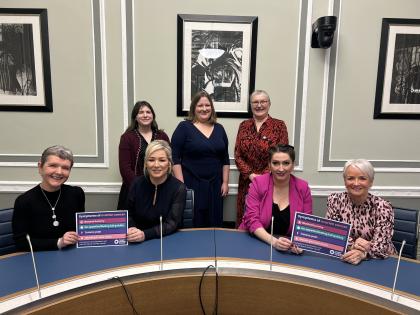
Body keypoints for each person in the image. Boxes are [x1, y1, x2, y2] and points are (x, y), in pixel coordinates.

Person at [239, 144, 312, 254]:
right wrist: (274, 242)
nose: (281, 168)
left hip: (286, 248)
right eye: (275, 163)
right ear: (269, 165)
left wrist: (298, 243)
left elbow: (306, 225)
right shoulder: (258, 183)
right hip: (253, 241)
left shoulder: (303, 188)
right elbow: (252, 220)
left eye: (286, 163)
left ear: (293, 165)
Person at [171, 91, 230, 227]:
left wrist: (225, 182)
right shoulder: (184, 127)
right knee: (193, 221)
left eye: (207, 105)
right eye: (200, 105)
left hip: (215, 185)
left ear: (212, 108)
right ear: (194, 108)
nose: (204, 109)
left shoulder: (220, 129)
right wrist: (182, 185)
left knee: (214, 222)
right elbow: (174, 157)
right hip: (191, 183)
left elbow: (225, 158)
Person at [12, 145, 85, 251]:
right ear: (40, 167)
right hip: (39, 259)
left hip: (72, 255)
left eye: (65, 168)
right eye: (53, 165)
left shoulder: (76, 194)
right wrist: (59, 242)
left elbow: (80, 230)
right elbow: (21, 243)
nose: (59, 172)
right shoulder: (24, 201)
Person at [326, 159, 396, 264]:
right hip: (346, 256)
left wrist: (363, 253)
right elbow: (333, 233)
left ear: (371, 182)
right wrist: (353, 246)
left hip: (380, 260)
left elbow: (382, 246)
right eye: (350, 178)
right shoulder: (334, 200)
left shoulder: (383, 207)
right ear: (345, 181)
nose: (356, 183)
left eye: (362, 178)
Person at [234, 90, 289, 226]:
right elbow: (237, 154)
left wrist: (262, 177)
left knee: (265, 218)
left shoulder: (279, 126)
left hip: (271, 181)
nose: (259, 105)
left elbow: (281, 155)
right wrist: (251, 175)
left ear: (269, 104)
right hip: (247, 181)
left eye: (263, 101)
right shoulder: (244, 125)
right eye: (255, 102)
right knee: (245, 218)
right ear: (251, 105)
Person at [127, 140, 186, 242]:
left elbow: (172, 223)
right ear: (145, 163)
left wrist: (144, 235)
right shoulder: (136, 184)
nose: (156, 165)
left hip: (166, 240)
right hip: (136, 239)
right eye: (151, 160)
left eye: (162, 160)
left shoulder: (179, 188)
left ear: (169, 163)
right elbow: (128, 214)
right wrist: (132, 230)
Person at [117, 101, 169, 209]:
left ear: (152, 115)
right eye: (141, 112)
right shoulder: (127, 138)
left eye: (148, 112)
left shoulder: (162, 136)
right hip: (133, 190)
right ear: (135, 117)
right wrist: (140, 188)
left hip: (160, 190)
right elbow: (125, 168)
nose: (145, 115)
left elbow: (168, 162)